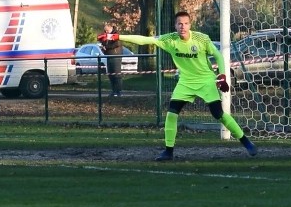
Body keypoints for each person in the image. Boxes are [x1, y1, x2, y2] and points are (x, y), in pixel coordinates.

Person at [99, 10, 256, 161]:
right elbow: (146, 40)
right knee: (172, 113)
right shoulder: (170, 40)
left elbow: (218, 56)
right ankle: (168, 151)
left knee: (218, 114)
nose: (183, 26)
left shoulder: (202, 39)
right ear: (175, 25)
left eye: (186, 23)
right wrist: (118, 36)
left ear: (190, 25)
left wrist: (222, 76)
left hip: (205, 80)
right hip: (185, 82)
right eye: (179, 24)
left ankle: (245, 141)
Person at [100, 22, 124, 97]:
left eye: (107, 30)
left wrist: (107, 47)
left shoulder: (116, 34)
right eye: (105, 31)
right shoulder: (105, 35)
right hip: (109, 55)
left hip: (115, 55)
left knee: (116, 74)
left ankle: (118, 91)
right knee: (110, 74)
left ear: (111, 28)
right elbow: (103, 42)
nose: (106, 32)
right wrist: (103, 45)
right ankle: (113, 90)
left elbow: (116, 44)